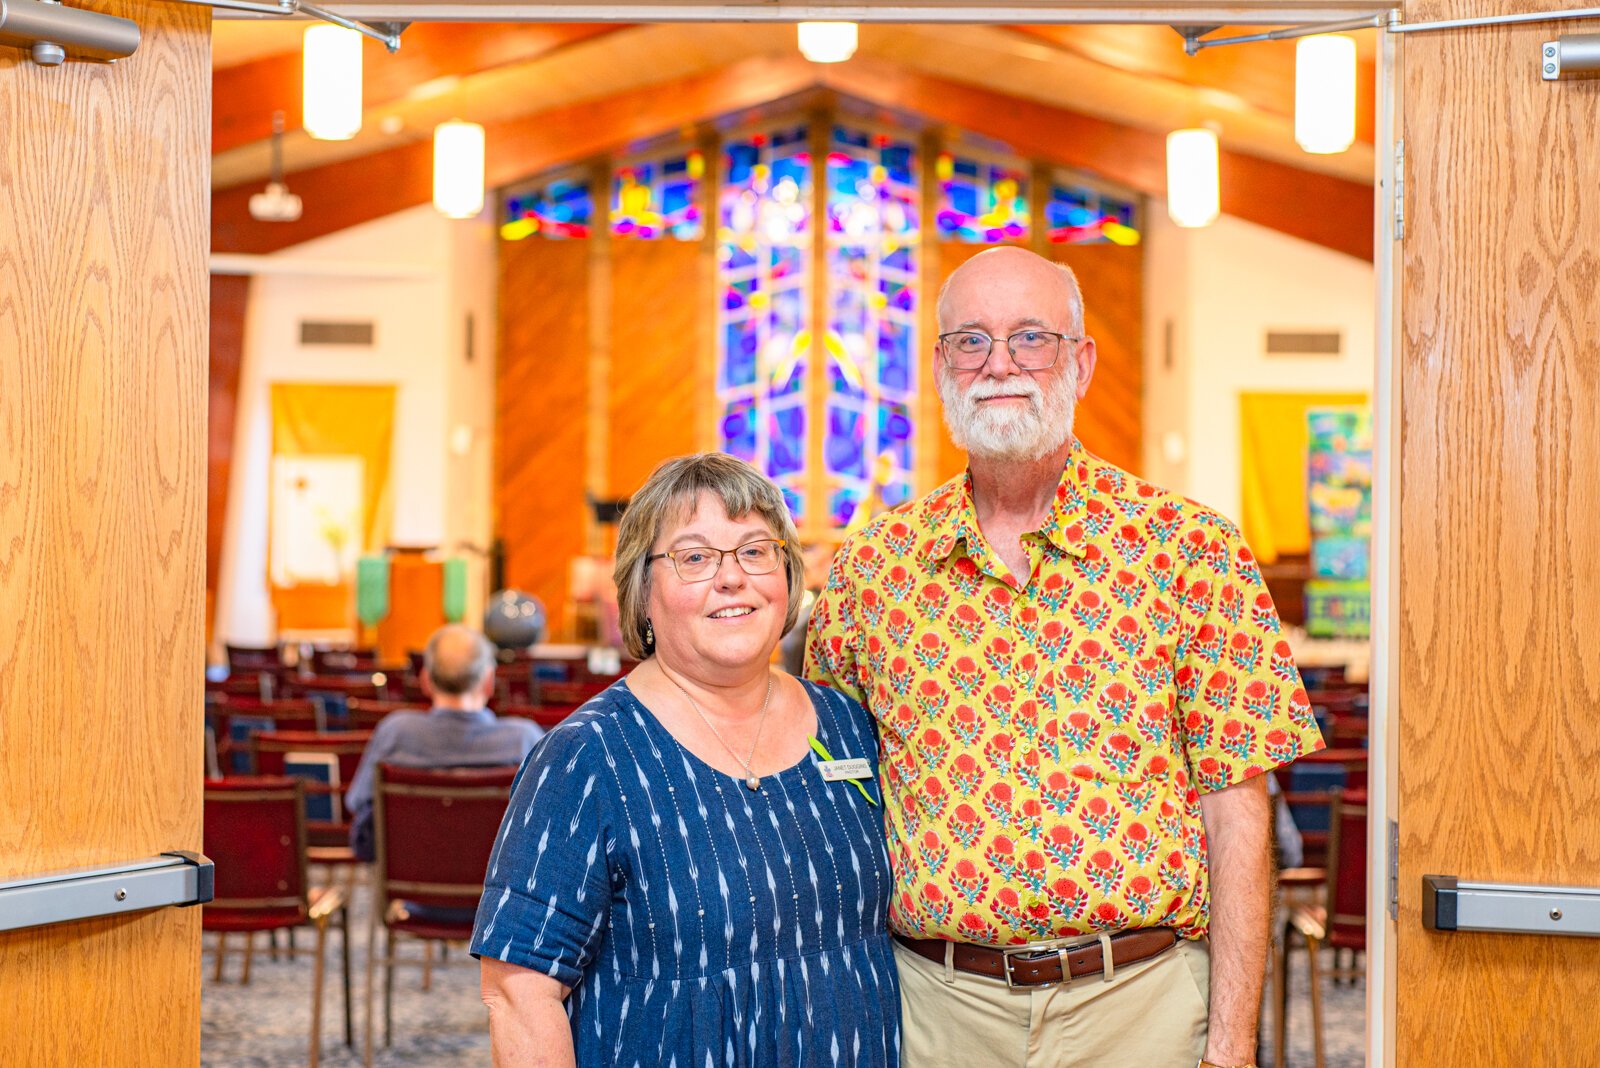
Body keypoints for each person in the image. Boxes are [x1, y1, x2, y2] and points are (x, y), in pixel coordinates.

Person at [804, 246, 1325, 1068]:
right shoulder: (875, 567)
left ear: (1080, 362)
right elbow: (831, 796)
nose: (1000, 363)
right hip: (934, 1010)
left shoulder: (1189, 550)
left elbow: (1238, 814)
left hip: (1142, 1004)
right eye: (971, 340)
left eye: (1031, 338)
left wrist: (1229, 1048)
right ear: (940, 365)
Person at [472, 453, 901, 1068]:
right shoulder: (585, 758)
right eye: (695, 557)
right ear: (642, 593)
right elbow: (518, 993)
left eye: (755, 550)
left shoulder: (851, 726)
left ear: (788, 576)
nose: (732, 578)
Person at [346, 624, 542, 861]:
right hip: (497, 888)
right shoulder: (524, 740)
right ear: (489, 682)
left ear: (425, 681)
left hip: (411, 877)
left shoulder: (395, 732)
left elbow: (358, 807)